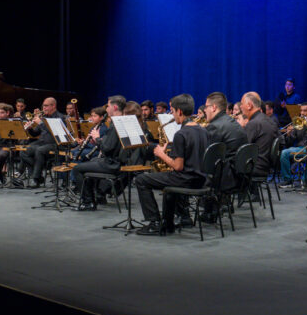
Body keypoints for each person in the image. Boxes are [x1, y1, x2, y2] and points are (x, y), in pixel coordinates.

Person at [135, 94, 209, 235]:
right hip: (202, 179)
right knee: (169, 184)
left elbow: (178, 166)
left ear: (179, 111)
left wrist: (161, 154)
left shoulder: (181, 134)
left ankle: (154, 222)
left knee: (141, 180)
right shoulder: (203, 131)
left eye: (173, 111)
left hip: (186, 179)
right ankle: (168, 223)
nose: (172, 114)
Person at [74, 95, 126, 210]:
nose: (106, 109)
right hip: (118, 161)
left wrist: (97, 139)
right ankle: (97, 196)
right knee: (92, 161)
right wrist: (101, 140)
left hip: (112, 163)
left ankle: (88, 202)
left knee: (77, 169)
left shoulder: (115, 124)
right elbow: (114, 143)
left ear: (115, 107)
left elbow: (107, 148)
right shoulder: (123, 121)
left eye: (108, 106)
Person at [16, 97, 65, 187]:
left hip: (55, 144)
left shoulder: (60, 117)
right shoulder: (43, 117)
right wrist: (30, 129)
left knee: (39, 150)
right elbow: (35, 134)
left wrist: (41, 123)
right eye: (43, 106)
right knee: (24, 151)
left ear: (53, 106)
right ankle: (38, 176)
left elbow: (57, 133)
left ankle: (35, 179)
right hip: (42, 142)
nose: (44, 108)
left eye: (46, 106)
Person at [278, 102, 307, 188]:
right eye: (301, 111)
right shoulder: (298, 122)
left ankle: (305, 180)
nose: (302, 113)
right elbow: (291, 141)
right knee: (284, 153)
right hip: (300, 148)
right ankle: (288, 180)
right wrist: (289, 134)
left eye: (305, 111)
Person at [241, 91, 281, 177]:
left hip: (255, 167)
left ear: (249, 105)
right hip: (267, 166)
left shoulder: (253, 123)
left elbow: (242, 149)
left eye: (242, 104)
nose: (241, 107)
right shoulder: (270, 120)